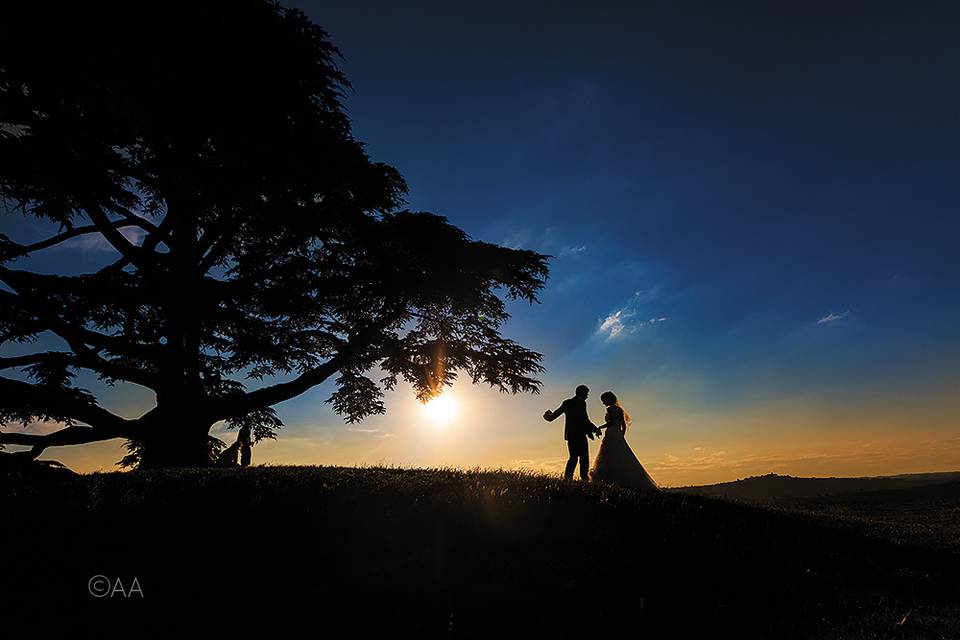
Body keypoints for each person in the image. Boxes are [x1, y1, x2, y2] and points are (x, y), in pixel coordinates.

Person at [589, 391, 659, 491]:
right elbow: (624, 425)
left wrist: (600, 427)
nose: (603, 403)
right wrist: (621, 435)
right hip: (618, 433)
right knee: (621, 455)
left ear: (608, 399)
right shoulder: (620, 410)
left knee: (609, 455)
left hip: (611, 433)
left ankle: (609, 479)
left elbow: (611, 423)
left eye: (603, 400)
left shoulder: (610, 409)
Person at [543, 385, 603, 481]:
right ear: (581, 392)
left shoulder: (567, 403)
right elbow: (584, 420)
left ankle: (568, 477)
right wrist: (594, 429)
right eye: (586, 394)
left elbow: (553, 417)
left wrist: (547, 415)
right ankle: (584, 478)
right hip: (580, 434)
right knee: (584, 458)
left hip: (571, 435)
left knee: (573, 457)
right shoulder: (581, 403)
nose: (587, 396)